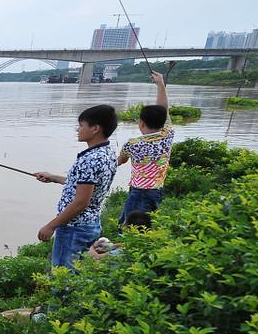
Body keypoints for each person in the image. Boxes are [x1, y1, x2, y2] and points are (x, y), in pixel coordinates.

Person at [33, 104, 119, 270]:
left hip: (74, 227)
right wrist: (53, 178)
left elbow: (81, 202)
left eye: (81, 125)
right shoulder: (108, 153)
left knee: (64, 275)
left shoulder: (90, 160)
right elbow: (86, 185)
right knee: (78, 270)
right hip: (90, 223)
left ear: (95, 129)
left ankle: (63, 297)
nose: (77, 130)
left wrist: (51, 225)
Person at [117, 70, 174, 224]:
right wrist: (160, 84)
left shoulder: (132, 144)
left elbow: (120, 161)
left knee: (132, 227)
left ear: (141, 123)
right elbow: (164, 109)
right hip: (157, 191)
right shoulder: (167, 135)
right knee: (144, 223)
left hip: (139, 193)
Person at [87, 210, 152, 259]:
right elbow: (125, 245)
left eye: (125, 223)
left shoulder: (124, 251)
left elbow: (96, 258)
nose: (122, 225)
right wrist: (112, 246)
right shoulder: (144, 243)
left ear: (130, 229)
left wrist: (91, 246)